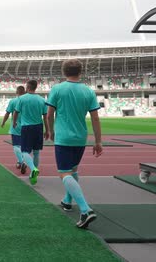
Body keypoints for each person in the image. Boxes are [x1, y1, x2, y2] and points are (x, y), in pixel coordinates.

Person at [46, 59, 103, 229]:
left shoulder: (57, 89)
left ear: (64, 72)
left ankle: (85, 210)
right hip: (80, 138)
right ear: (81, 71)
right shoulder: (88, 91)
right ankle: (67, 201)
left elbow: (49, 114)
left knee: (64, 173)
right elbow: (95, 117)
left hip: (63, 137)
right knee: (73, 170)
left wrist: (50, 130)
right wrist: (98, 141)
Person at [12, 80, 48, 185]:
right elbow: (45, 117)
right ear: (36, 87)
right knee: (36, 152)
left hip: (27, 127)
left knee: (25, 151)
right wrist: (48, 129)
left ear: (27, 87)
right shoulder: (42, 100)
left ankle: (33, 169)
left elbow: (16, 112)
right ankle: (34, 175)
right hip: (39, 127)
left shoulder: (22, 98)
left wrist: (14, 122)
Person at [1, 85, 26, 173]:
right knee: (25, 147)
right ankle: (20, 161)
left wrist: (3, 122)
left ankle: (21, 162)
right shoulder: (28, 100)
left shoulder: (13, 101)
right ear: (25, 92)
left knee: (16, 145)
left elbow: (7, 113)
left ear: (16, 92)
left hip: (16, 126)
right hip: (28, 126)